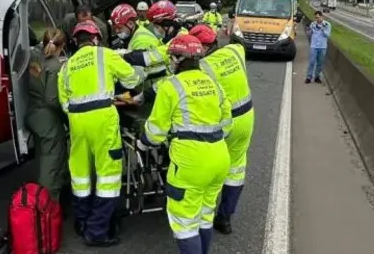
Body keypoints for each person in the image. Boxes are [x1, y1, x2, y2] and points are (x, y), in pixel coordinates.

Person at [137, 34, 232, 254]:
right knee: (204, 217)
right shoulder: (213, 83)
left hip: (190, 164)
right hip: (219, 158)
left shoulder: (171, 86)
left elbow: (156, 132)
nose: (170, 61)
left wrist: (143, 144)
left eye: (172, 57)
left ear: (179, 59)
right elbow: (227, 124)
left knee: (184, 224)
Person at [58, 21, 146, 247]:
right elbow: (133, 79)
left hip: (77, 121)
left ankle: (82, 221)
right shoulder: (104, 54)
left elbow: (65, 103)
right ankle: (97, 231)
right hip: (103, 120)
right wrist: (119, 94)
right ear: (96, 38)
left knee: (80, 173)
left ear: (77, 42)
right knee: (108, 175)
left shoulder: (67, 65)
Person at [188, 24, 253, 235]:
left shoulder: (203, 67)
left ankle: (200, 216)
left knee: (208, 166)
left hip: (223, 123)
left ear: (204, 47)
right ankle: (225, 219)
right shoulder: (234, 51)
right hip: (246, 118)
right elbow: (240, 42)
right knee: (236, 170)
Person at [25, 28, 69, 202]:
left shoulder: (35, 59)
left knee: (41, 159)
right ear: (62, 46)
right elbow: (52, 100)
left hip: (33, 114)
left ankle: (37, 197)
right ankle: (48, 205)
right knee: (52, 161)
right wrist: (67, 116)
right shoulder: (55, 66)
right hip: (48, 119)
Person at [305, 11, 331, 84]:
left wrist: (322, 29)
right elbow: (309, 34)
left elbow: (328, 35)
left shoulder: (327, 24)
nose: (317, 19)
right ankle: (309, 77)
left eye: (318, 18)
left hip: (322, 46)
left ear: (322, 17)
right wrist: (309, 29)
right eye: (315, 18)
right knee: (312, 62)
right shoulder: (313, 24)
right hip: (314, 46)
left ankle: (317, 77)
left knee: (320, 62)